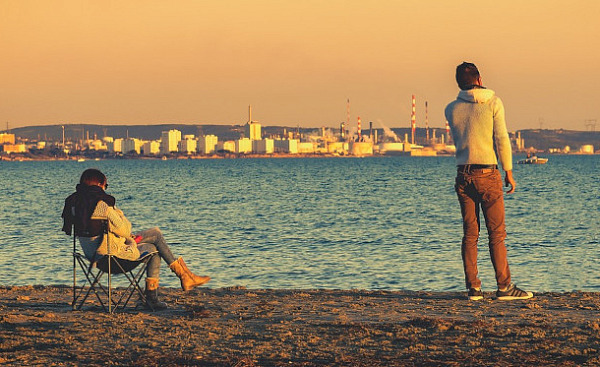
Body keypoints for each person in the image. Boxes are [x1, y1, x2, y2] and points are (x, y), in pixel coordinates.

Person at [445, 62, 533, 301]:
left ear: (459, 83)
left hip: (463, 174)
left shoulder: (451, 109)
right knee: (496, 234)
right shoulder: (494, 103)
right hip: (488, 174)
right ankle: (504, 287)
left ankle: (473, 288)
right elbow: (501, 138)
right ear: (480, 79)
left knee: (470, 234)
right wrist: (509, 172)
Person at [62, 168, 210, 310]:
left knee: (154, 242)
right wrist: (118, 213)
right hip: (113, 258)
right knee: (155, 240)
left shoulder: (75, 204)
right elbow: (126, 231)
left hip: (92, 256)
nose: (106, 189)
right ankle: (165, 289)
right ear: (100, 184)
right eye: (105, 185)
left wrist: (124, 236)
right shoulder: (102, 204)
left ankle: (181, 278)